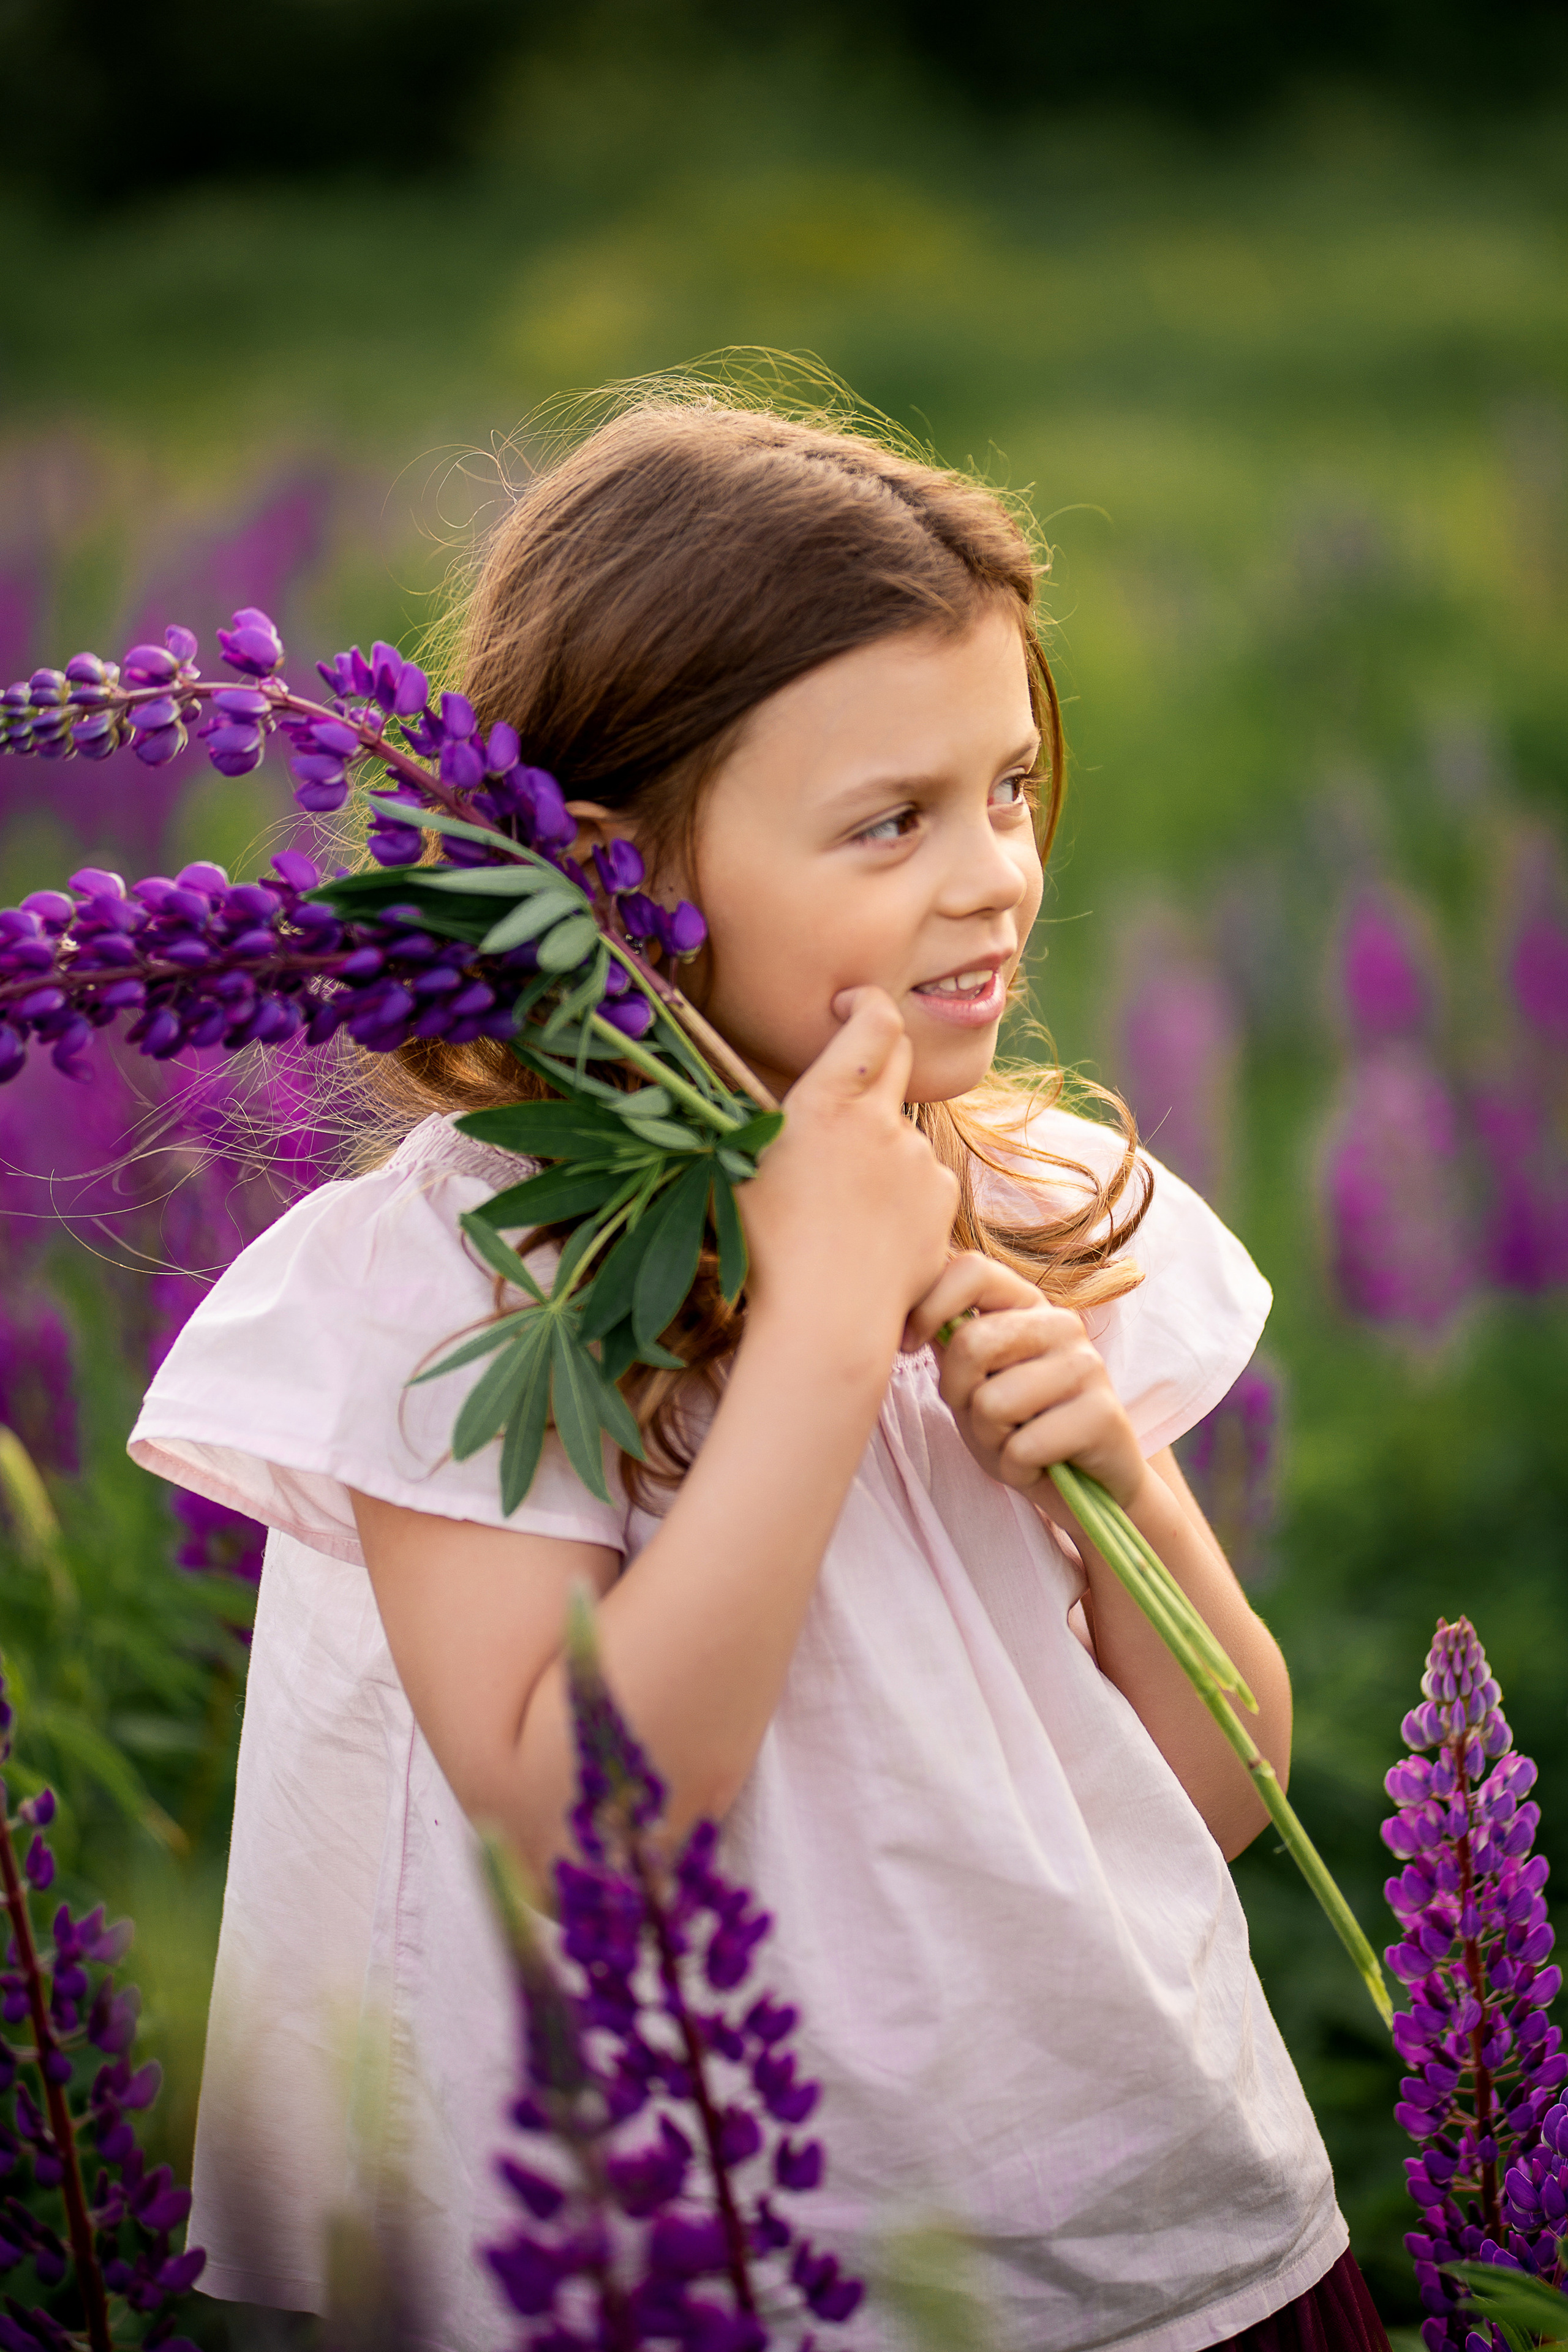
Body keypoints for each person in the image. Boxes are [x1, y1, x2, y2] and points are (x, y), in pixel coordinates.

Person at [129, 394, 1387, 2352]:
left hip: (1143, 2237)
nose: (993, 878)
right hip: (699, 2273)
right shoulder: (470, 1278)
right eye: (894, 821)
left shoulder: (1036, 1197)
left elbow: (1218, 1790)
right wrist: (812, 1335)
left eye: (1013, 788)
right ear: (621, 879)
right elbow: (581, 1822)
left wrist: (1131, 1495)